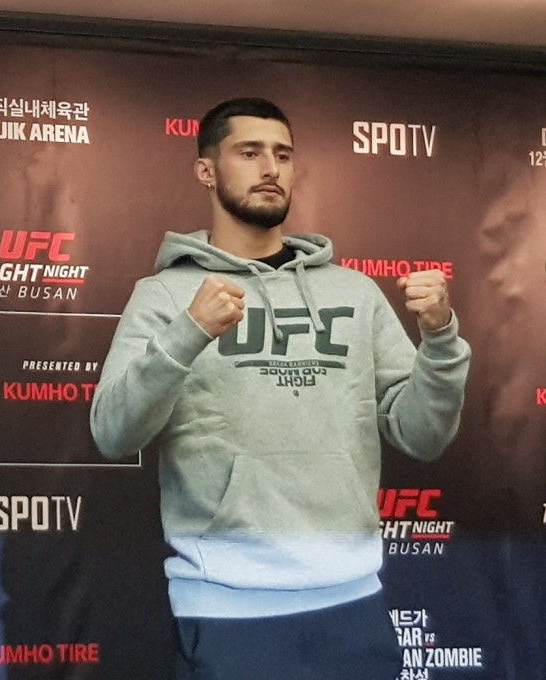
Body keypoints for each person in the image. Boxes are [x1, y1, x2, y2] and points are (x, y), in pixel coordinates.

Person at [89, 98, 470, 679]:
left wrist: (440, 339)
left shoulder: (355, 293)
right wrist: (188, 334)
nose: (271, 167)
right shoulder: (165, 296)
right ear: (207, 171)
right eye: (249, 152)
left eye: (282, 154)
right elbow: (113, 433)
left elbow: (423, 436)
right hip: (227, 609)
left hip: (354, 603)